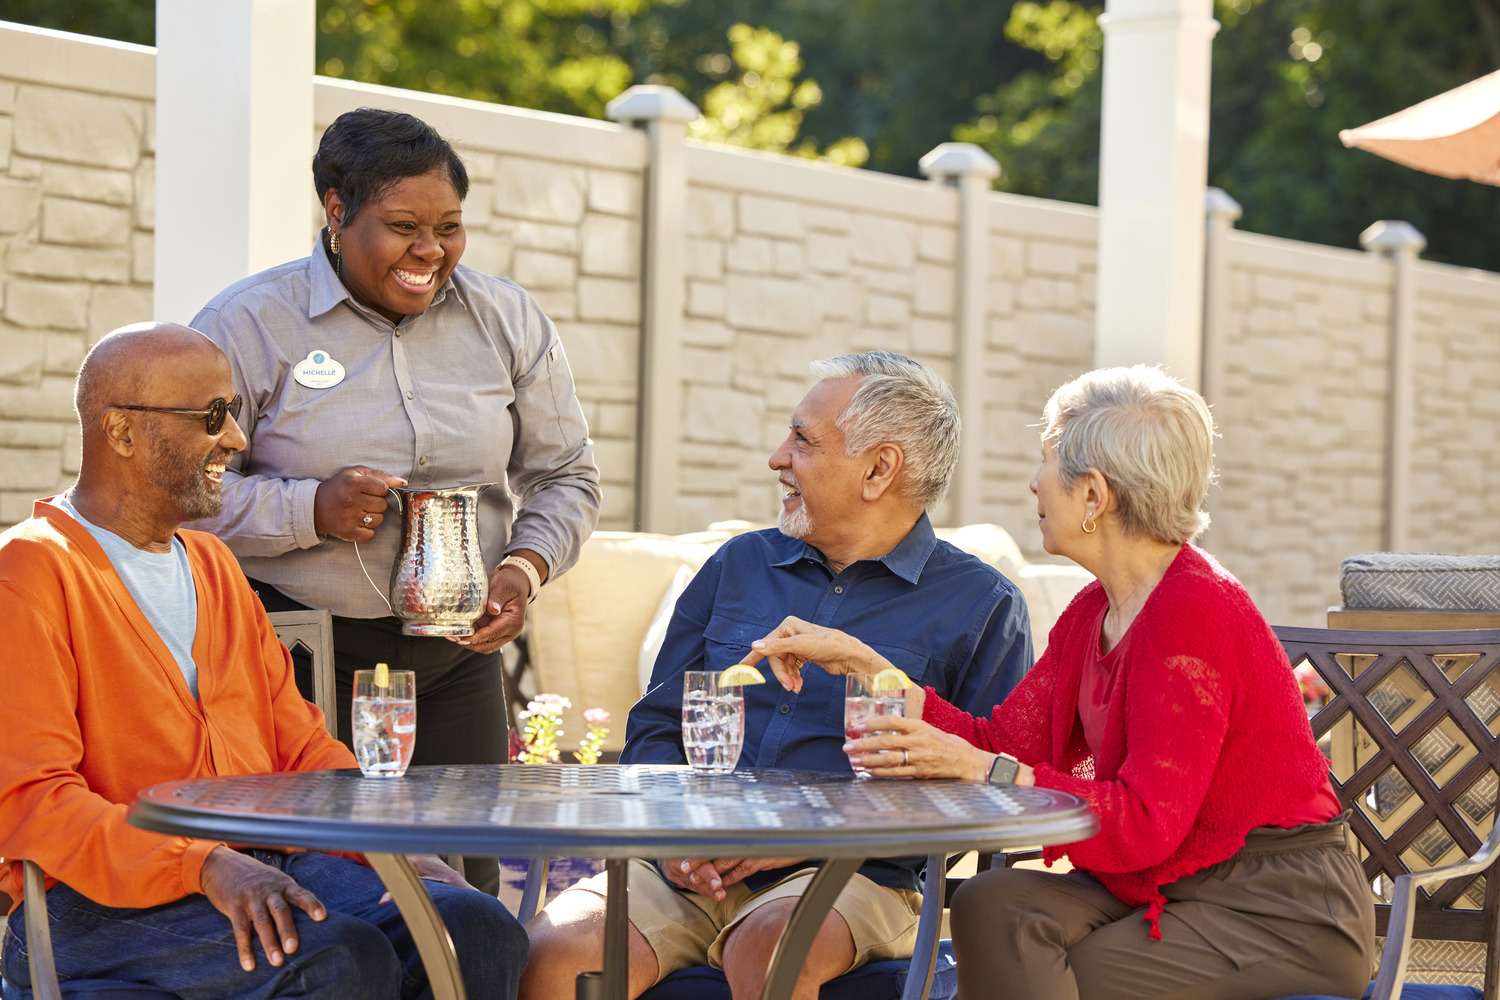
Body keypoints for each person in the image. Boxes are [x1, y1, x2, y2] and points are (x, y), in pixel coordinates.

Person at [745, 365, 1376, 1000]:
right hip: (1170, 883)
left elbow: (1143, 822)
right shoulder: (1094, 611)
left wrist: (982, 767)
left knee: (1063, 972)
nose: (1032, 482)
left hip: (1278, 910)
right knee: (992, 904)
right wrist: (862, 663)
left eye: (1046, 462)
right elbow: (1003, 739)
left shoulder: (1193, 613)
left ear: (1094, 496)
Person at [0, 323, 527, 1000]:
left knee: (473, 926)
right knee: (339, 958)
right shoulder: (32, 572)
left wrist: (381, 848)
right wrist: (205, 865)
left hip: (260, 862)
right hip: (84, 900)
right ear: (122, 431)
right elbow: (33, 802)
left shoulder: (214, 565)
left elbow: (300, 744)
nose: (237, 441)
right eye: (211, 417)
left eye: (235, 415)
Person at [520, 351, 1034, 1000]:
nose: (776, 458)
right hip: (683, 863)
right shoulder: (737, 565)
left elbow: (988, 780)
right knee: (552, 950)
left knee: (769, 952)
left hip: (857, 874)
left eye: (803, 440)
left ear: (879, 469)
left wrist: (800, 842)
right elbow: (656, 725)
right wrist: (673, 833)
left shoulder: (982, 605)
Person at [189, 108, 601, 892]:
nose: (430, 250)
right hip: (296, 658)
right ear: (337, 212)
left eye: (449, 226)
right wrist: (309, 508)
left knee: (468, 890)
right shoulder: (246, 324)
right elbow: (186, 494)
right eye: (404, 225)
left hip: (457, 660)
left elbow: (566, 474)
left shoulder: (506, 318)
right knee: (327, 887)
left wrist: (525, 568)